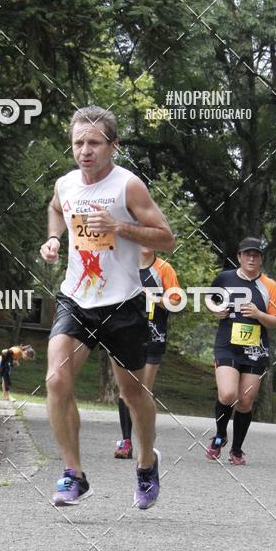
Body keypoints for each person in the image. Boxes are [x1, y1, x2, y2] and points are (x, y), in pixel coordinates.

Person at [39, 106, 175, 508]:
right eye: (78, 143)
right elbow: (55, 208)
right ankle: (73, 474)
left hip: (123, 303)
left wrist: (118, 227)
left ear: (113, 146)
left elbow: (165, 238)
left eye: (94, 143)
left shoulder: (128, 186)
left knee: (132, 393)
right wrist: (54, 238)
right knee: (56, 380)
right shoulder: (66, 184)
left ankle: (147, 463)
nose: (85, 150)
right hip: (76, 298)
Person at [205, 237, 276, 465]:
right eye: (247, 254)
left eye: (256, 255)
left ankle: (237, 450)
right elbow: (209, 299)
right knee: (227, 394)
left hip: (254, 349)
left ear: (261, 259)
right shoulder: (225, 278)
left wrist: (259, 314)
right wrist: (215, 310)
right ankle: (220, 435)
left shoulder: (269, 286)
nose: (251, 258)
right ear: (239, 257)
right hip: (227, 345)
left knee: (245, 401)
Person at [115, 248, 180, 459]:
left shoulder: (164, 269)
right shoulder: (124, 265)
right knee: (125, 391)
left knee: (142, 391)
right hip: (126, 335)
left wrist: (153, 297)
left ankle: (145, 442)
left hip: (153, 337)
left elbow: (176, 302)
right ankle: (126, 442)